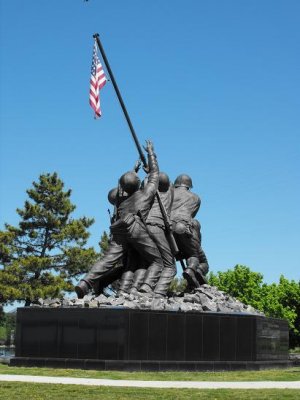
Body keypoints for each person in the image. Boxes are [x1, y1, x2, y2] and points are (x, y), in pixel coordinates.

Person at [75, 141, 164, 298]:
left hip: (118, 229)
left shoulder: (119, 199)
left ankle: (85, 283)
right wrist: (151, 153)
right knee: (158, 261)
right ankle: (145, 289)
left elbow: (123, 185)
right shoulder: (144, 195)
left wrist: (133, 171)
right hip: (135, 228)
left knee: (108, 259)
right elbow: (155, 175)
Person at [171, 174, 209, 288]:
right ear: (189, 186)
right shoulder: (196, 198)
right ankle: (192, 269)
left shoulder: (168, 194)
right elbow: (190, 215)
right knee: (195, 256)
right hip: (185, 228)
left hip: (166, 228)